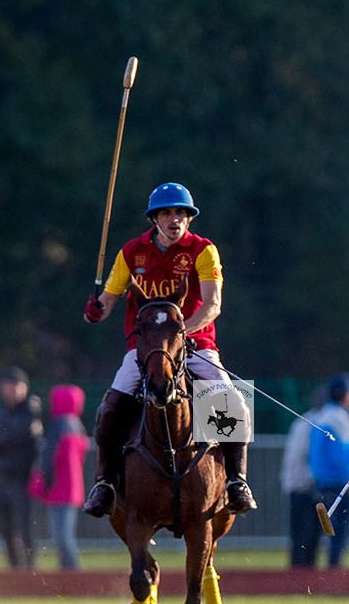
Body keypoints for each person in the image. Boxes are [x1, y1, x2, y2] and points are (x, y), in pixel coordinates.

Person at [80, 182, 257, 518]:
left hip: (195, 344)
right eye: (167, 213)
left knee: (233, 401)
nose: (174, 219)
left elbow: (212, 304)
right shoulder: (132, 252)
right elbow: (107, 302)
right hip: (145, 350)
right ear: (155, 219)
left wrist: (182, 333)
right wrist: (95, 310)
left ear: (189, 218)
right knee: (110, 407)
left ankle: (236, 480)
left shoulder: (203, 250)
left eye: (180, 213)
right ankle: (104, 483)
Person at [0, 367, 42, 569]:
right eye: (8, 385)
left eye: (16, 385)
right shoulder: (1, 412)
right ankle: (15, 569)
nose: (12, 390)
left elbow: (21, 434)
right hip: (2, 475)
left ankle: (30, 568)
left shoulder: (30, 409)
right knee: (4, 525)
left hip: (22, 477)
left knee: (24, 525)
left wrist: (3, 439)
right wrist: (4, 439)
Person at [31, 384, 87, 570]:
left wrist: (44, 481)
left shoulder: (59, 424)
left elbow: (50, 457)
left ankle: (71, 574)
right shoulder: (77, 424)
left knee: (62, 537)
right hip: (72, 487)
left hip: (58, 486)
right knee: (65, 535)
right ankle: (70, 573)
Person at [312, 374, 349, 567]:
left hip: (323, 482)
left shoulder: (323, 414)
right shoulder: (340, 418)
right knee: (339, 533)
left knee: (324, 533)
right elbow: (344, 456)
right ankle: (334, 573)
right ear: (344, 394)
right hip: (339, 483)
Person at [283, 390, 324, 568]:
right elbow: (299, 457)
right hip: (302, 487)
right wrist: (310, 481)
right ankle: (299, 575)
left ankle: (307, 573)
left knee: (312, 535)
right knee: (302, 535)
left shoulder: (309, 421)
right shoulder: (309, 423)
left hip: (305, 485)